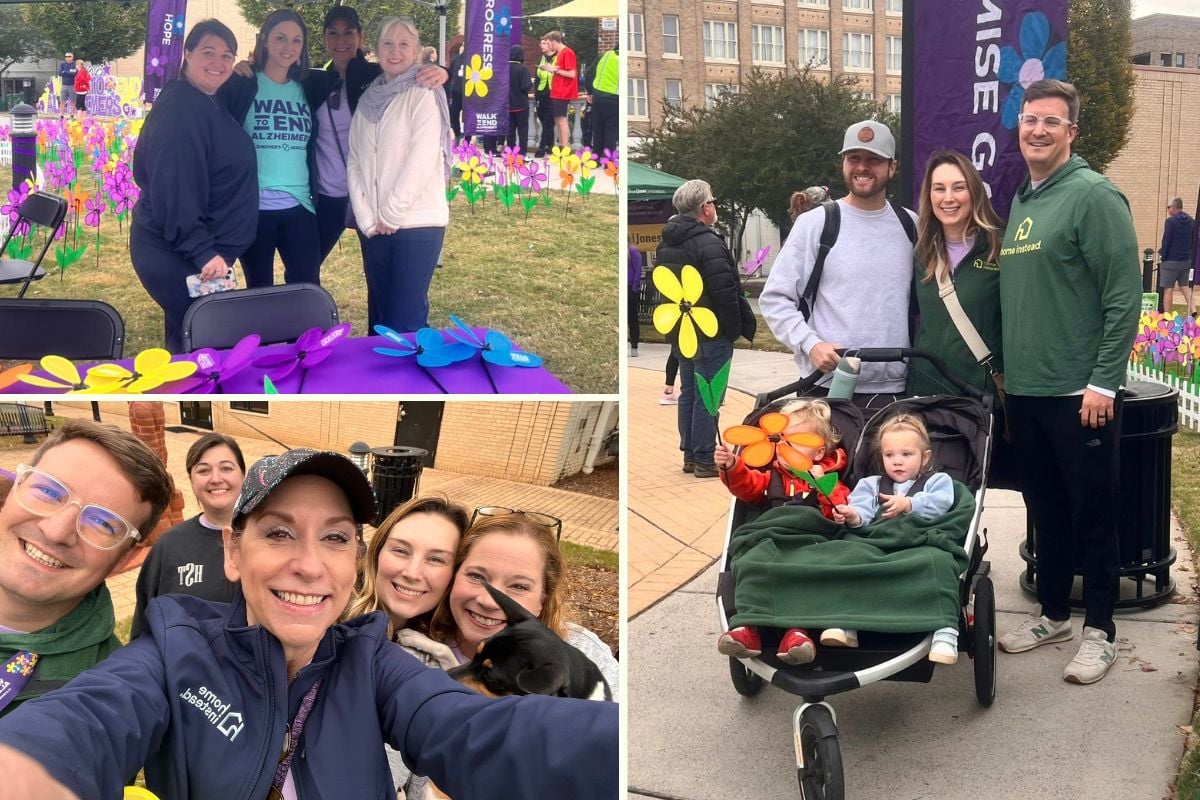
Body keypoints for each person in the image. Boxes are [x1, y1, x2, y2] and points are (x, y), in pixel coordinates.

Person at [0, 449, 617, 799]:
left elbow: (477, 732)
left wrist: (604, 733)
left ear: (355, 562)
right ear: (233, 554)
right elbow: (89, 719)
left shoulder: (375, 662)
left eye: (336, 538)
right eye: (278, 532)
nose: (309, 564)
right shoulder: (174, 646)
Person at [996, 79, 1140, 685]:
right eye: (1030, 120)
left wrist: (1103, 383)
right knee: (1045, 509)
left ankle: (1100, 630)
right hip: (1026, 395)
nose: (1037, 130)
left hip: (1079, 397)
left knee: (1092, 515)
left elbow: (1123, 296)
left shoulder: (1093, 196)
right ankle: (1054, 613)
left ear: (1071, 132)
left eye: (1051, 122)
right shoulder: (1025, 201)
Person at [0, 420, 173, 716]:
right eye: (49, 491)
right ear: (14, 489)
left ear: (125, 558)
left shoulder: (106, 701)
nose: (56, 531)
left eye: (103, 523)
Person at [760, 120, 916, 401]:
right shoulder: (816, 224)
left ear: (892, 167)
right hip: (824, 386)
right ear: (844, 163)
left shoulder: (911, 225)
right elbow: (774, 298)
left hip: (894, 390)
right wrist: (810, 344)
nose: (862, 167)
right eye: (854, 158)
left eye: (874, 159)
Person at [131, 19, 258, 353]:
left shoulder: (204, 99)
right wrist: (203, 252)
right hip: (185, 253)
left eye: (227, 55)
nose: (218, 63)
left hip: (198, 252)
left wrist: (245, 82)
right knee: (213, 338)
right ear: (186, 53)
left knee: (185, 339)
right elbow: (175, 190)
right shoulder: (179, 111)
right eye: (208, 52)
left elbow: (220, 138)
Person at [346, 494, 470, 798]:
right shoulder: (326, 618)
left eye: (436, 559)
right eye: (401, 550)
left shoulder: (439, 660)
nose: (413, 572)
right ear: (377, 552)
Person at [907, 150, 1017, 489]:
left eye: (958, 187)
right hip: (926, 395)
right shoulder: (921, 250)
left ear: (974, 191)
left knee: (969, 493)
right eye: (939, 189)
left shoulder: (1000, 245)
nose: (948, 198)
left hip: (979, 396)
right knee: (921, 493)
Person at [715, 398, 852, 665]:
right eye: (780, 440)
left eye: (795, 440)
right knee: (751, 561)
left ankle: (797, 631)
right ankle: (748, 627)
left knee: (809, 571)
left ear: (819, 452)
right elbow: (747, 486)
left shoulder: (829, 480)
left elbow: (841, 506)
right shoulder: (771, 479)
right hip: (771, 539)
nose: (783, 446)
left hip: (810, 541)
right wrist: (732, 465)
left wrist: (821, 483)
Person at [428, 511, 620, 694]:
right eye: (477, 576)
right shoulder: (412, 654)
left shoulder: (586, 656)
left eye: (519, 586)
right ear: (454, 576)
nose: (488, 601)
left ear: (542, 601)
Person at [348, 16, 454, 333]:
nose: (395, 51)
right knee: (379, 318)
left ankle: (407, 384)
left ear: (417, 50)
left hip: (417, 223)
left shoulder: (423, 93)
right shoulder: (368, 100)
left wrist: (392, 212)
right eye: (387, 44)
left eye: (404, 44)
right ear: (376, 50)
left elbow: (422, 157)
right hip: (376, 227)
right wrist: (367, 218)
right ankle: (379, 383)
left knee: (405, 320)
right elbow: (354, 160)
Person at [832, 414, 959, 664]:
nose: (897, 461)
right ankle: (846, 621)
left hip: (919, 541)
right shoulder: (871, 485)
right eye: (889, 455)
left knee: (939, 562)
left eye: (906, 455)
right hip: (878, 542)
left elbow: (942, 504)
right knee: (849, 556)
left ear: (925, 457)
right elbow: (863, 514)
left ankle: (945, 630)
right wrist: (851, 515)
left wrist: (910, 503)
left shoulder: (936, 482)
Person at [655, 179, 756, 478]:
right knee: (708, 395)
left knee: (689, 392)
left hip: (683, 328)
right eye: (712, 201)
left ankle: (689, 452)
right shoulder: (709, 242)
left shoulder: (667, 242)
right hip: (710, 329)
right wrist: (733, 328)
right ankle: (703, 457)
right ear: (704, 208)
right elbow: (725, 292)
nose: (714, 207)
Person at [218, 9, 321, 289]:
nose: (288, 47)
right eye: (281, 38)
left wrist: (442, 71)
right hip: (254, 209)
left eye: (297, 40)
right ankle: (266, 336)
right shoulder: (241, 83)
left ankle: (303, 336)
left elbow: (359, 76)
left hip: (299, 206)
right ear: (264, 40)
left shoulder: (311, 87)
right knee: (259, 291)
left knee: (307, 289)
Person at [129, 433, 246, 639]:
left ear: (243, 476)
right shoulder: (170, 545)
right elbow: (145, 625)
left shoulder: (267, 541)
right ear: (191, 480)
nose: (216, 479)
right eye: (203, 470)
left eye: (226, 468)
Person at [538, 31, 577, 148]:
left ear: (554, 42)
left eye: (549, 43)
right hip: (557, 91)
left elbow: (572, 74)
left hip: (562, 92)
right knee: (558, 119)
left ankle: (564, 147)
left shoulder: (567, 52)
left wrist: (554, 70)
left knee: (561, 120)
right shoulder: (561, 53)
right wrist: (552, 69)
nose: (548, 46)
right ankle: (562, 145)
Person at [1159, 197, 1195, 313]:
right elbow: (1193, 240)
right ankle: (1193, 310)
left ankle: (1167, 315)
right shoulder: (1191, 221)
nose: (1168, 209)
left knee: (1168, 289)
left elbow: (1166, 240)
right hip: (1186, 260)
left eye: (1168, 207)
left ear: (1173, 208)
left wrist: (1163, 257)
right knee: (1185, 286)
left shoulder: (1170, 222)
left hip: (1171, 260)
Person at [588, 44, 618, 156]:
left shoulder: (605, 56)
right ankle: (608, 161)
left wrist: (590, 92)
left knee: (598, 130)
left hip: (598, 98)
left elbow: (590, 73)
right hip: (615, 100)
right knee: (611, 132)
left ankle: (596, 157)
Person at [506, 45, 533, 152]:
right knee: (523, 130)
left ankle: (510, 153)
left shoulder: (504, 68)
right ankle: (522, 153)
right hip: (521, 105)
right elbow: (525, 86)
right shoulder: (523, 69)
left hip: (507, 105)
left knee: (510, 131)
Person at [533, 37, 556, 157]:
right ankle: (551, 145)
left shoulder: (558, 58)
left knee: (548, 120)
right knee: (544, 120)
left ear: (551, 44)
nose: (541, 45)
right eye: (541, 43)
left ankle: (542, 147)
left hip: (554, 94)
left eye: (544, 43)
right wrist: (536, 94)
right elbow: (537, 78)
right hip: (541, 94)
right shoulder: (540, 59)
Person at [628, 244, 642, 358]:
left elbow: (638, 270)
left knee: (632, 319)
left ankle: (634, 346)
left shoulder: (632, 252)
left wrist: (635, 287)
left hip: (630, 287)